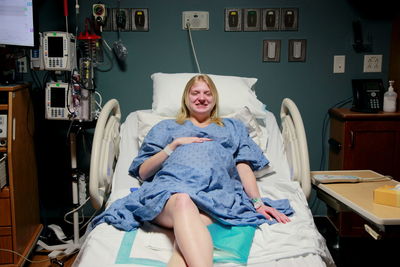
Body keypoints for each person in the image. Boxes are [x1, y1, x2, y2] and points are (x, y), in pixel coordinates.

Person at [92, 74, 292, 267]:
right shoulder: (166, 127)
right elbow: (143, 172)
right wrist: (173, 146)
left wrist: (257, 202)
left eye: (207, 93)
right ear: (186, 98)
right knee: (183, 200)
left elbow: (244, 165)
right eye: (195, 93)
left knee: (186, 231)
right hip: (170, 192)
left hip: (216, 197)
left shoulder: (233, 127)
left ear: (215, 98)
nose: (202, 98)